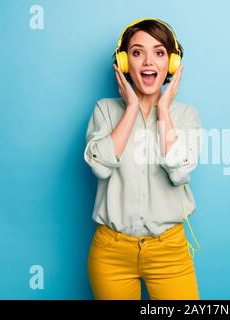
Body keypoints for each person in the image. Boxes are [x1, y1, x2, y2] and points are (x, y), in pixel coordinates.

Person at [83, 18, 203, 300]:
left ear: (171, 64)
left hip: (169, 252)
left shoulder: (186, 115)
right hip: (111, 253)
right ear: (125, 64)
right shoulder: (105, 110)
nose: (148, 61)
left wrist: (163, 109)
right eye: (137, 52)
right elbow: (100, 166)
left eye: (159, 53)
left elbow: (179, 171)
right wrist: (132, 108)